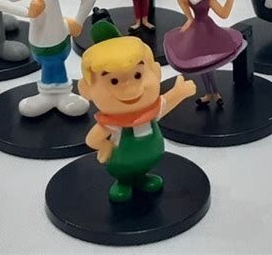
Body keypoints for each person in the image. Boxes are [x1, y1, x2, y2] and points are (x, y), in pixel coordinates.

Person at [79, 34, 195, 202]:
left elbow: (166, 104)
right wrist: (104, 145)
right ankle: (123, 182)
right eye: (114, 81)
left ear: (156, 72)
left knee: (143, 170)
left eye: (138, 75)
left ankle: (142, 177)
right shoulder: (111, 123)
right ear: (87, 90)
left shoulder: (151, 111)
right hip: (121, 161)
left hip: (150, 156)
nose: (129, 88)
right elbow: (92, 139)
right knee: (123, 173)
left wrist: (179, 93)